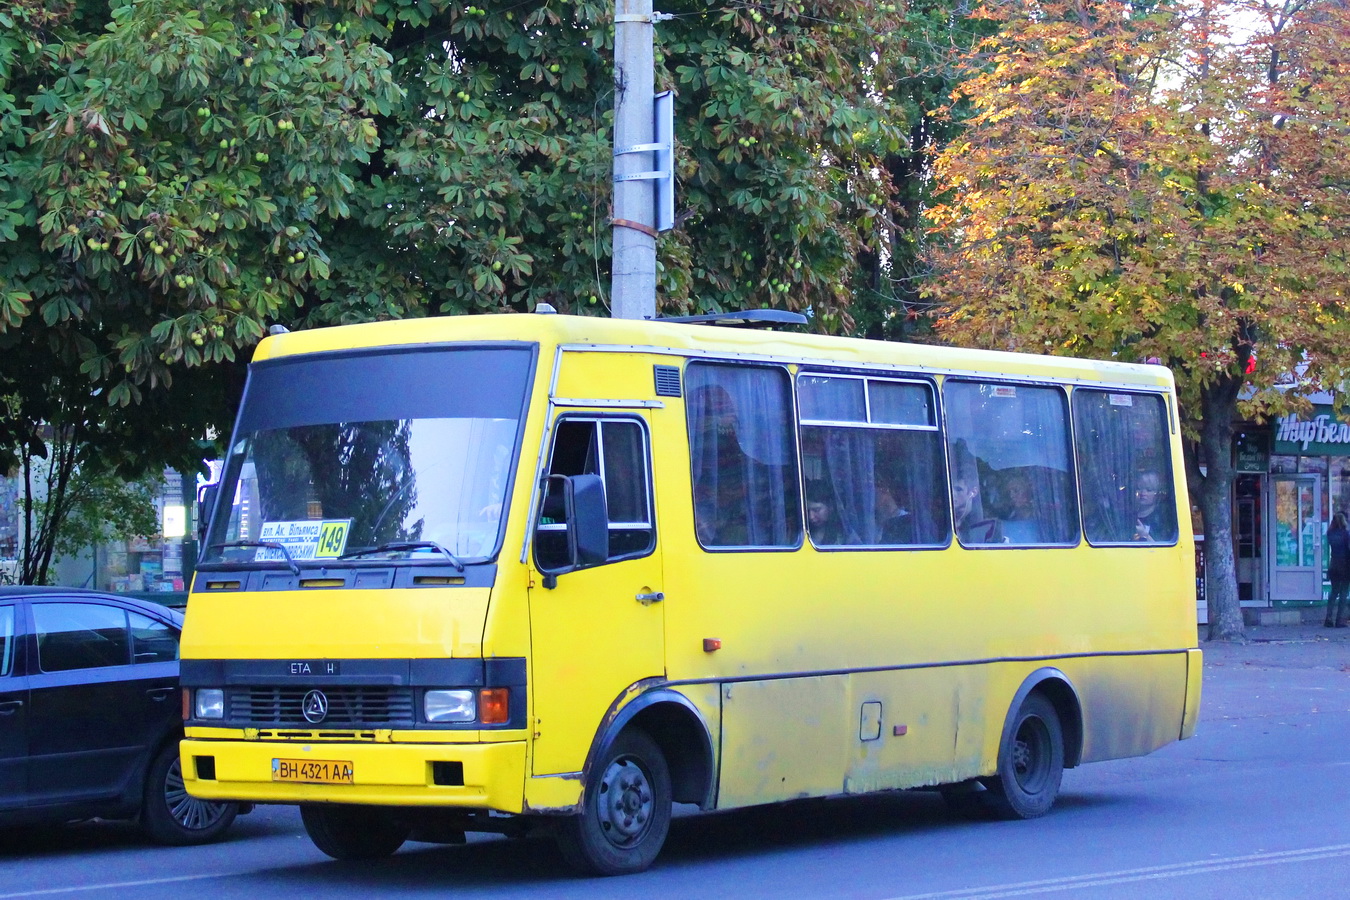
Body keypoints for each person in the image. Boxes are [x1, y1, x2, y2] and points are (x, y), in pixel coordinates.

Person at [951, 472, 1005, 545]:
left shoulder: (989, 526)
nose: (952, 493)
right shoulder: (943, 521)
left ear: (973, 492)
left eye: (958, 489)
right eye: (950, 489)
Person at [1132, 470, 1177, 542]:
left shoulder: (1162, 518)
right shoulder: (1129, 515)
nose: (1143, 493)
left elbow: (1166, 550)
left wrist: (1144, 535)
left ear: (1157, 493)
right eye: (1139, 488)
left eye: (1149, 490)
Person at [1326, 511, 1350, 628]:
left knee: (1334, 591)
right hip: (1344, 566)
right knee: (1344, 592)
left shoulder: (1330, 533)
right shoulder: (1346, 534)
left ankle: (1328, 618)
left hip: (1333, 564)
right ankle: (1339, 621)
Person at [1001, 472, 1040, 544]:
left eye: (1016, 491)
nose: (1011, 496)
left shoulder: (1039, 519)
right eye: (1009, 492)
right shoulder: (1006, 517)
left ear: (1028, 492)